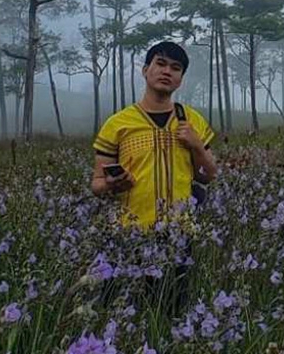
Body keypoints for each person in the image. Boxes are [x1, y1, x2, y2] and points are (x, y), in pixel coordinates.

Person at [90, 41, 218, 314]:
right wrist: (111, 183)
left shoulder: (191, 120)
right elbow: (97, 184)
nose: (166, 72)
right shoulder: (118, 124)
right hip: (129, 233)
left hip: (179, 234)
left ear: (180, 80)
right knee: (120, 312)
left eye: (175, 68)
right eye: (160, 64)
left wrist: (196, 145)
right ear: (145, 70)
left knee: (172, 312)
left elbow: (208, 176)